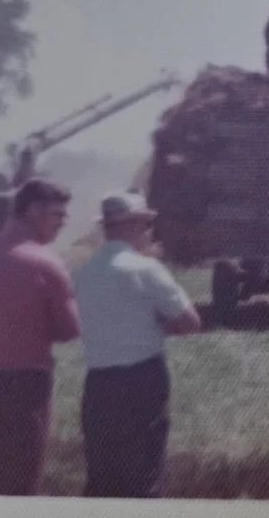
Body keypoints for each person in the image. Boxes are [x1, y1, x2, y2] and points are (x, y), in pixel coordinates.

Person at [73, 192, 200, 498]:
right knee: (143, 475)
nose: (150, 231)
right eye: (147, 225)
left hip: (99, 382)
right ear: (133, 225)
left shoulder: (84, 273)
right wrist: (154, 325)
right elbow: (190, 322)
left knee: (102, 475)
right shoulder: (146, 269)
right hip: (141, 380)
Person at [0, 179, 80, 496]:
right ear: (34, 211)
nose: (61, 225)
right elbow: (70, 329)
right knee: (19, 492)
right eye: (57, 216)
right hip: (25, 390)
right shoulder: (46, 262)